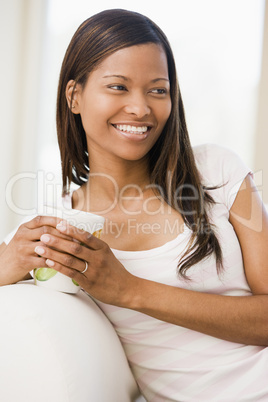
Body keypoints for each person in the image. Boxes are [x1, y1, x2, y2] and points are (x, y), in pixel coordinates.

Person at [1, 8, 268, 401]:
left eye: (158, 90)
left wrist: (129, 290)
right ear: (74, 95)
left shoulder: (218, 170)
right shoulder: (57, 228)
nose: (141, 109)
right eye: (118, 87)